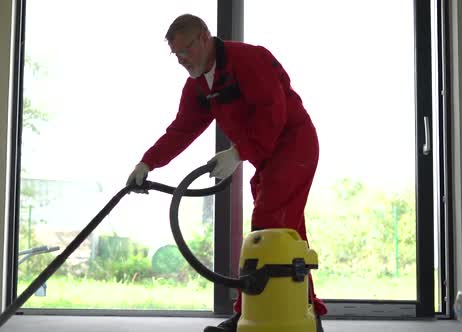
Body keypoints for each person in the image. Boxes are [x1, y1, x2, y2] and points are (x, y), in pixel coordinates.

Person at [126, 14, 327, 332]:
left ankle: (250, 314)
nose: (182, 60)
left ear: (204, 38)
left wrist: (237, 153)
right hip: (267, 158)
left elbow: (272, 113)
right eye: (176, 55)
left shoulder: (249, 59)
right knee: (288, 236)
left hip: (293, 147)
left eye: (186, 51)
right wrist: (147, 163)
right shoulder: (198, 86)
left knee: (268, 227)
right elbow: (182, 129)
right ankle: (305, 315)